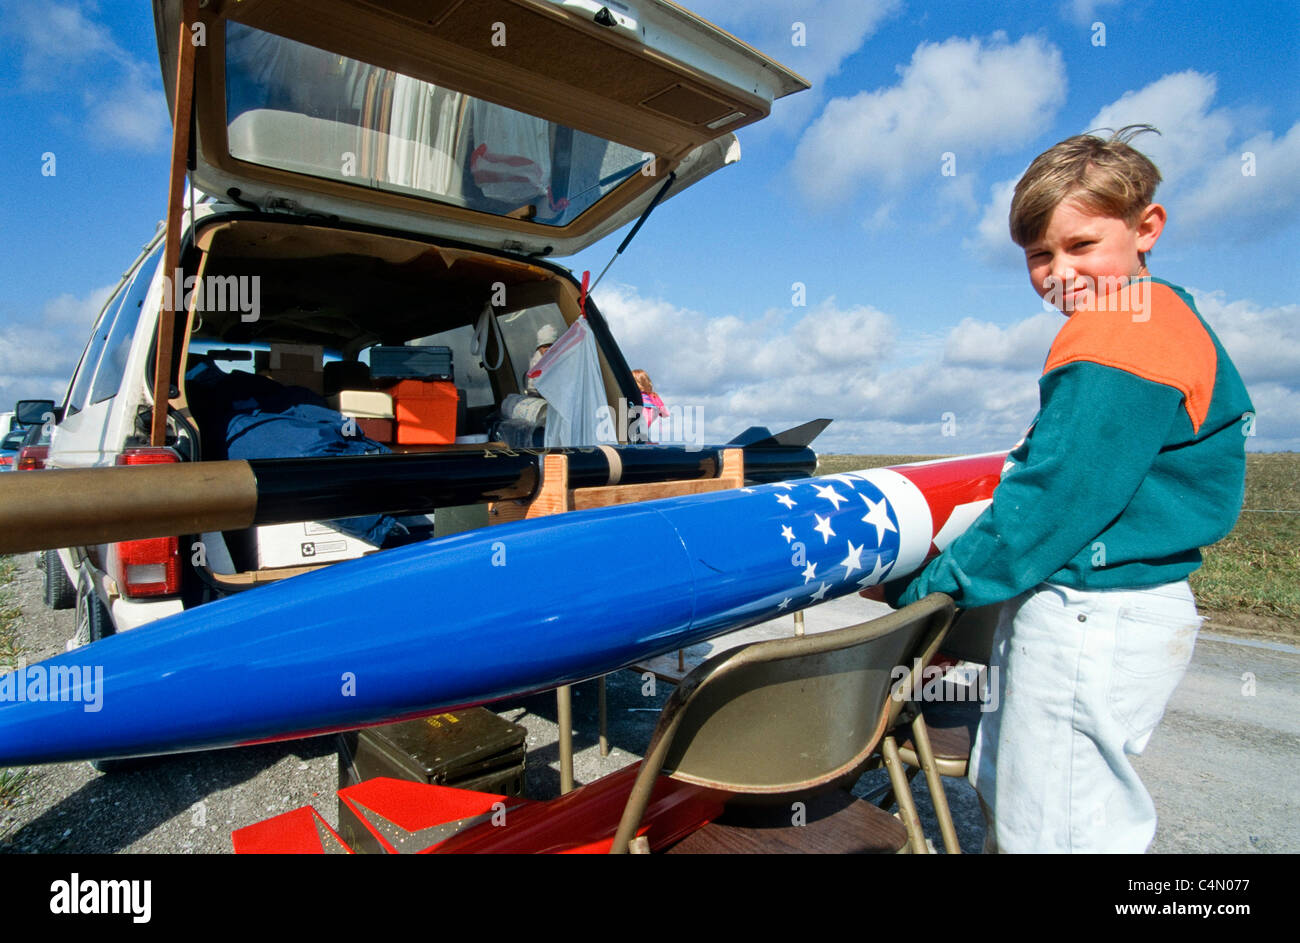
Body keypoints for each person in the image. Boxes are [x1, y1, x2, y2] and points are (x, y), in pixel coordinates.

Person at [872, 126, 1254, 852]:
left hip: (1090, 614)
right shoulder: (1168, 317)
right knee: (1068, 808)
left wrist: (924, 588)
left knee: (1051, 830)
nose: (1059, 273)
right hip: (1132, 607)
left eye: (1080, 246)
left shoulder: (1117, 330)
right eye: (1039, 255)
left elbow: (1048, 503)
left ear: (1147, 228)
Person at [633, 369, 670, 443]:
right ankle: (646, 441)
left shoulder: (634, 395)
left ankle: (644, 441)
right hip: (651, 413)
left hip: (640, 414)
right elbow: (665, 414)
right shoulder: (653, 396)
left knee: (639, 432)